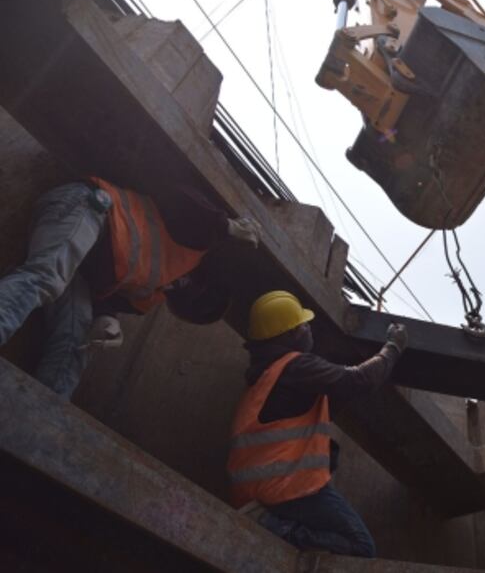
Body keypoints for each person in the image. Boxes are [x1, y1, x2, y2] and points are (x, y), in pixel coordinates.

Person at [0, 177, 261, 397]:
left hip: (80, 267)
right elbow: (177, 192)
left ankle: (44, 413)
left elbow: (103, 298)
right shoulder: (198, 242)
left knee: (76, 342)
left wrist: (106, 321)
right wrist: (225, 227)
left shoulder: (150, 295)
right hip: (87, 208)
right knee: (45, 278)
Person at [227, 290, 407, 558]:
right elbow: (357, 381)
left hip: (251, 488)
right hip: (285, 488)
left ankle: (277, 524)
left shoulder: (265, 377)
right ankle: (276, 528)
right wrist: (393, 347)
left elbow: (321, 406)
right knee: (361, 547)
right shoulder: (296, 367)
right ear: (287, 335)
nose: (308, 329)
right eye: (302, 325)